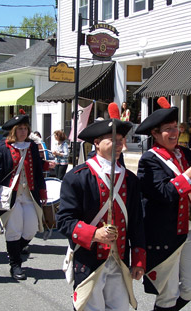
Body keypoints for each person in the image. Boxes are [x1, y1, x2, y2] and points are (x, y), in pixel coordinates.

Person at [56, 119, 146, 311]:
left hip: (120, 259)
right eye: (113, 139)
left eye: (121, 140)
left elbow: (137, 222)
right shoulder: (77, 177)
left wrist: (138, 259)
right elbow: (63, 221)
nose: (120, 145)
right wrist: (94, 234)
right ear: (96, 143)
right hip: (89, 261)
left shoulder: (130, 179)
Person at [135, 106, 191, 311]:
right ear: (155, 133)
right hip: (164, 233)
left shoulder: (186, 153)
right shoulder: (149, 160)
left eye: (175, 127)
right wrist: (189, 175)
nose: (174, 133)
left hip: (190, 227)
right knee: (167, 292)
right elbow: (163, 193)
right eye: (168, 129)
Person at [0, 111, 47, 280]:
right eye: (20, 128)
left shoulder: (32, 147)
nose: (23, 131)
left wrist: (42, 190)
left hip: (29, 195)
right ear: (13, 131)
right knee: (13, 231)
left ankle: (13, 250)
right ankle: (15, 265)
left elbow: (37, 171)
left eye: (25, 128)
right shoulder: (3, 147)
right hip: (11, 195)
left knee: (30, 229)